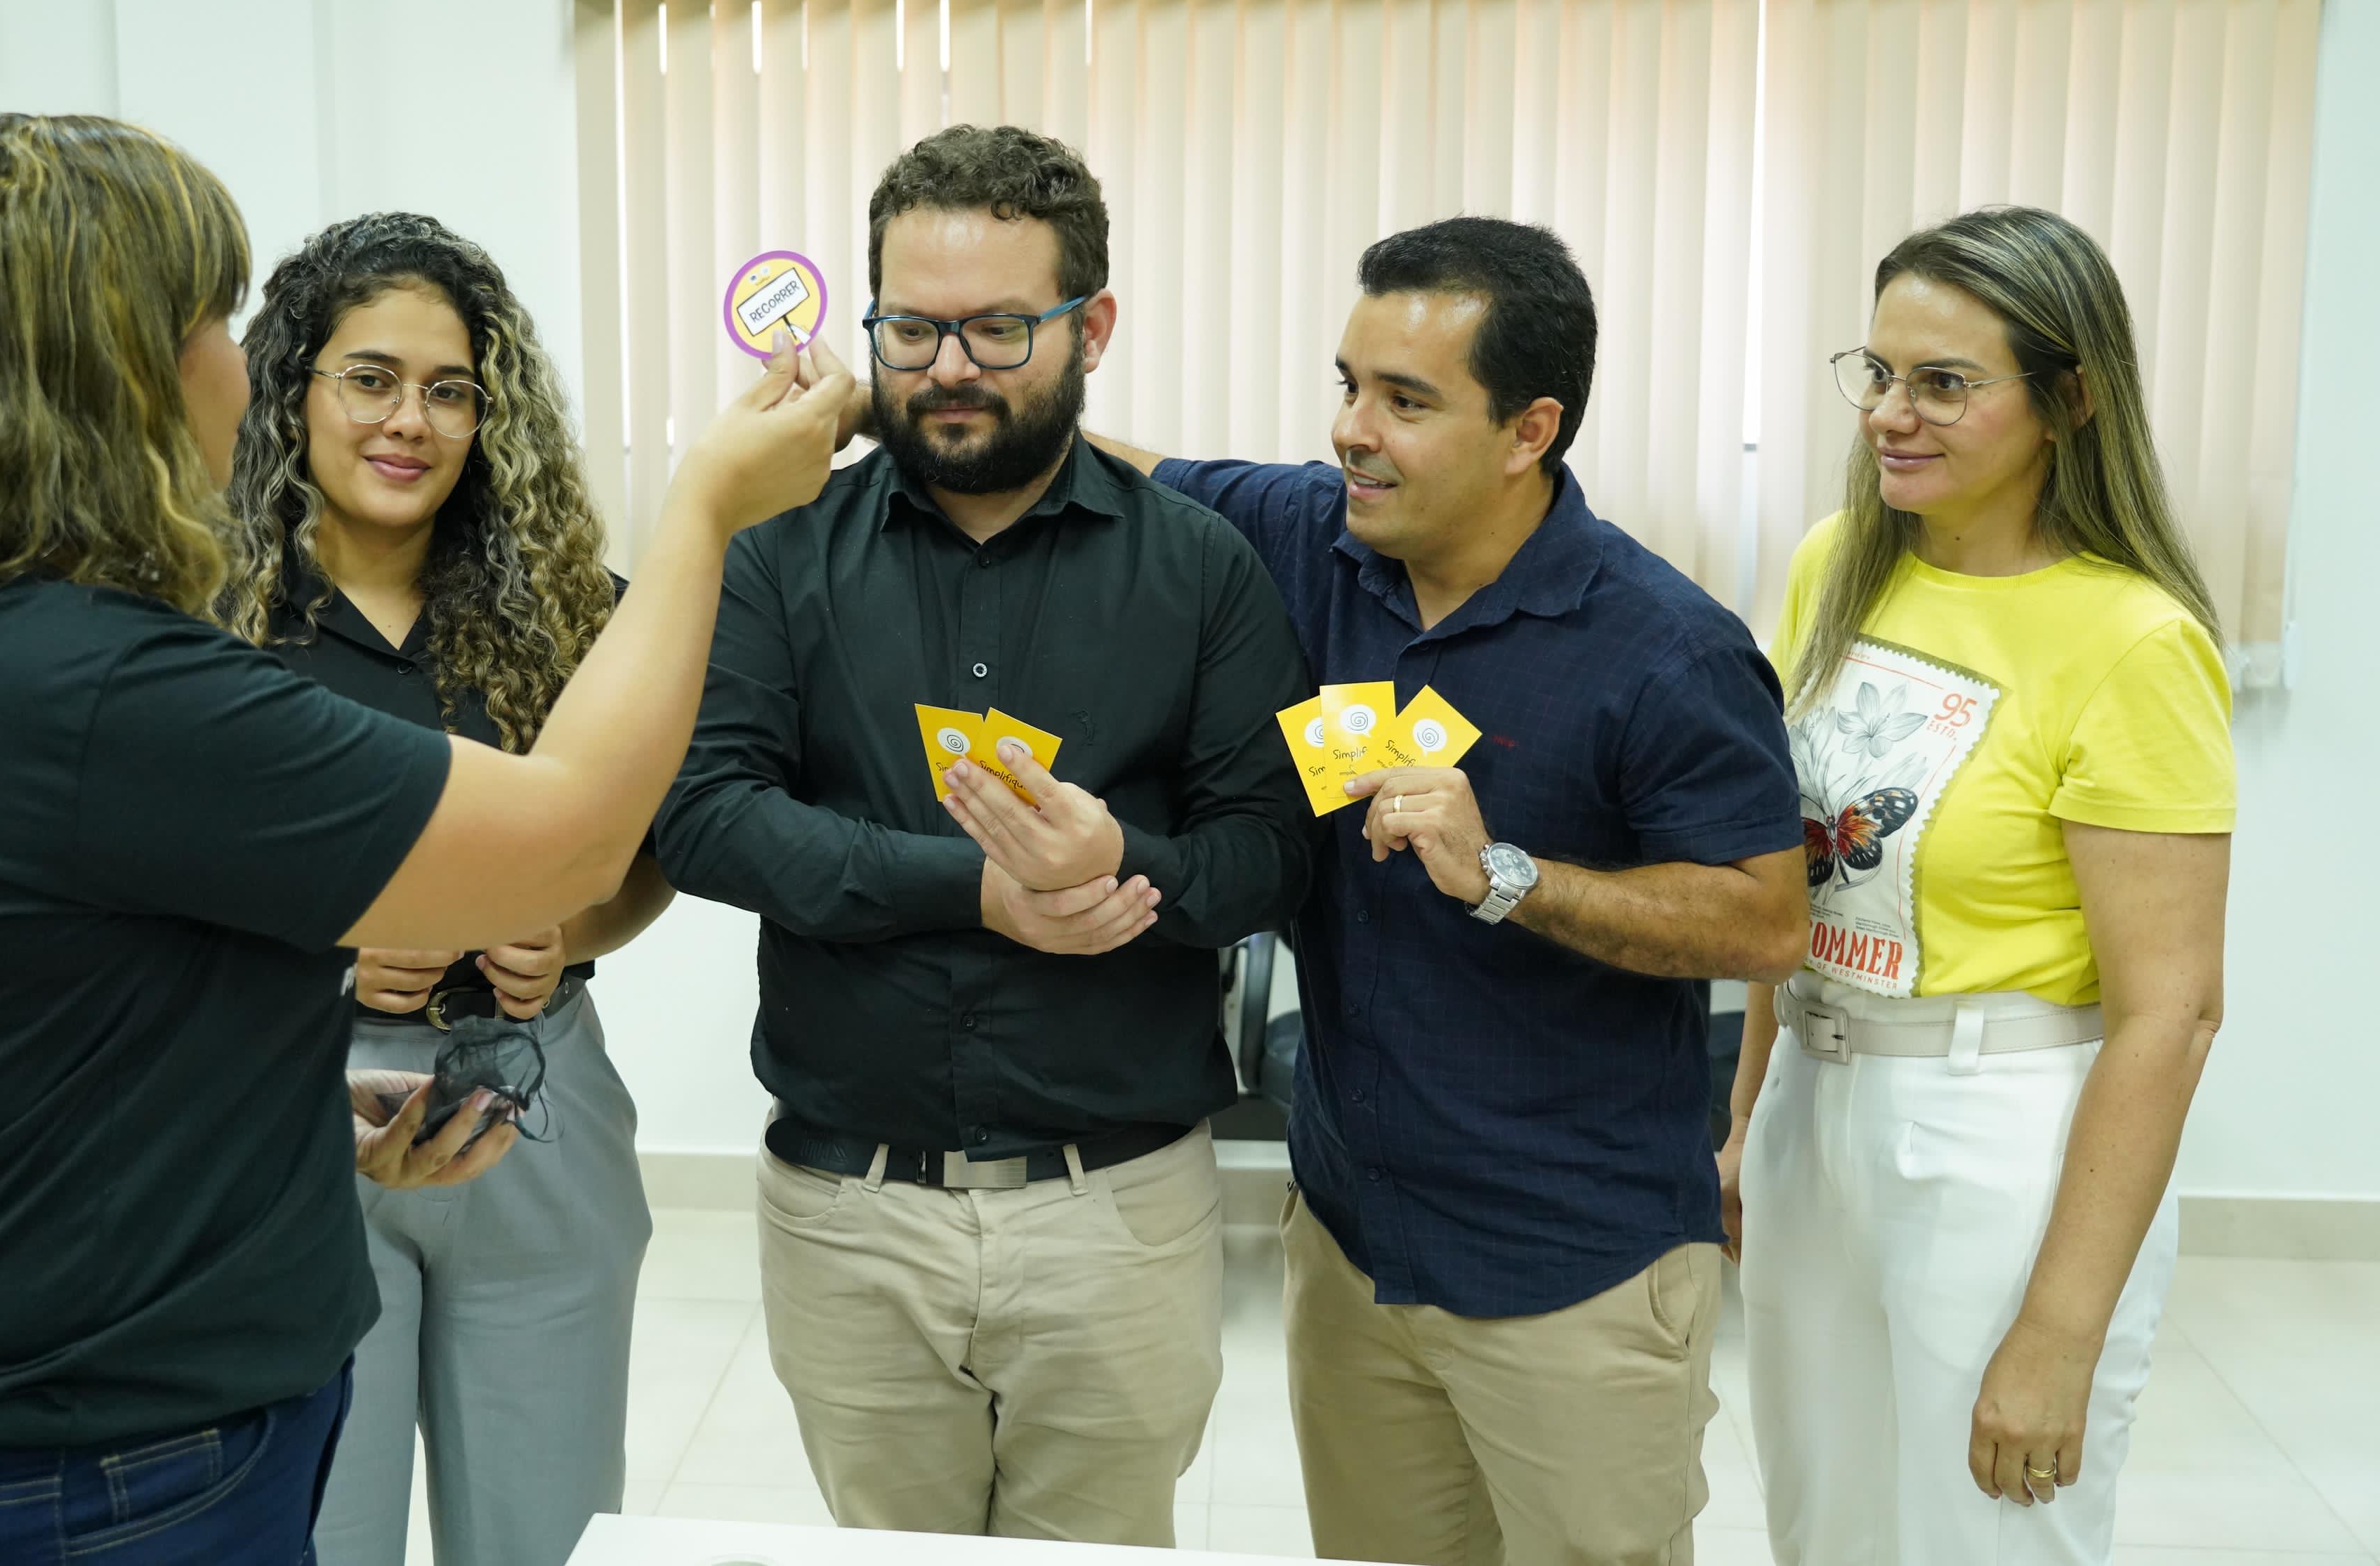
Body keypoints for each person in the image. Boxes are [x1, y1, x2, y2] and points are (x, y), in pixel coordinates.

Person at [0, 113, 854, 1563]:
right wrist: (708, 507)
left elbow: (57, 1039)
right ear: (110, 370)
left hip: (42, 1402)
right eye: (212, 321)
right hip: (101, 1469)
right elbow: (576, 833)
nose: (235, 364)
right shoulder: (104, 681)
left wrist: (290, 1127)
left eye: (446, 390)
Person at [1093, 216, 1808, 1566]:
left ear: (1531, 430)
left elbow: (1767, 923)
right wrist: (924, 391)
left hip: (1573, 1279)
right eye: (1349, 384)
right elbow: (1120, 472)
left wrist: (1509, 879)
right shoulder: (1311, 540)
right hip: (1353, 1250)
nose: (1353, 430)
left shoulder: (1667, 650)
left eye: (1406, 402)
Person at [652, 124, 1312, 1547]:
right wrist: (980, 889)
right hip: (851, 1207)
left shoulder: (1200, 565)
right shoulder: (777, 550)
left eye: (999, 328)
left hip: (1116, 1209)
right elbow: (702, 817)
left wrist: (1121, 865)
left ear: (1093, 328)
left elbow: (1270, 854)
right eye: (911, 327)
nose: (948, 366)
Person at [1722, 206, 2233, 1565]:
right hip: (1814, 1098)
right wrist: (1748, 1117)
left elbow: (2172, 1015)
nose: (1890, 415)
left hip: (1999, 1137)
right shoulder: (1840, 566)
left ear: (2070, 400)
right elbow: (1794, 883)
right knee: (1822, 1531)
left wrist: (2060, 1330)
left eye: (1944, 383)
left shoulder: (2134, 639)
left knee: (1985, 1536)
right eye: (1879, 372)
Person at [221, 211, 671, 1566]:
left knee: (548, 1532)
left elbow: (647, 852)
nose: (409, 421)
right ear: (291, 388)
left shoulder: (578, 612)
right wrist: (333, 951)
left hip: (535, 1096)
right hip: (290, 1107)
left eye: (450, 390)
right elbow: (140, 889)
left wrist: (574, 929)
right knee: (321, 1533)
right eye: (369, 378)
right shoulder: (202, 617)